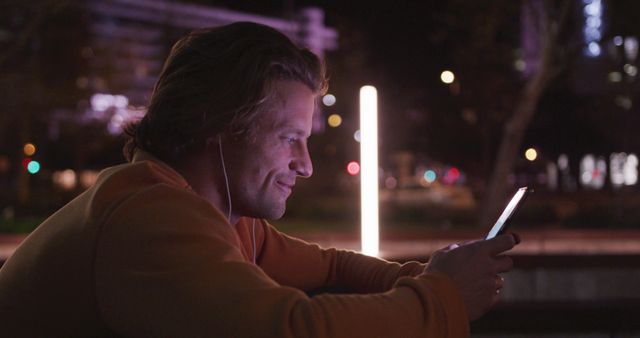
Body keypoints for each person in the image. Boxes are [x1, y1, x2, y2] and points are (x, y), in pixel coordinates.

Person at [0, 22, 518, 337]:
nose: (307, 165)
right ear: (216, 128)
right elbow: (289, 330)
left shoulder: (217, 217)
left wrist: (433, 277)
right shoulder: (149, 218)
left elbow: (329, 266)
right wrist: (442, 300)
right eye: (287, 138)